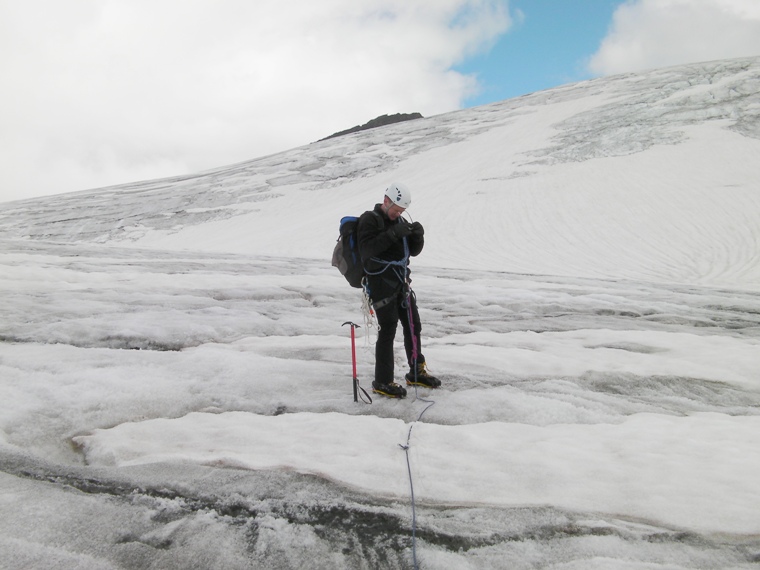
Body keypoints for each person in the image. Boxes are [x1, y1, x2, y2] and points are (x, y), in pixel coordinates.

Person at [357, 182, 441, 398]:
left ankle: (415, 371)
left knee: (413, 325)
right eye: (396, 210)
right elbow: (368, 250)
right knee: (388, 328)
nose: (398, 214)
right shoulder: (370, 219)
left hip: (400, 282)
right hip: (380, 283)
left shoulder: (400, 221)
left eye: (401, 212)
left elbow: (411, 251)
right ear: (386, 201)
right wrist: (393, 234)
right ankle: (382, 380)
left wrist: (417, 237)